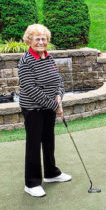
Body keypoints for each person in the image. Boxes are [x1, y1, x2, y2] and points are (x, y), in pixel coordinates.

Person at [18, 24, 71, 197]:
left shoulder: (48, 57)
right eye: (37, 39)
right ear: (29, 40)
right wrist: (54, 105)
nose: (41, 42)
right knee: (33, 144)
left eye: (44, 39)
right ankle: (31, 183)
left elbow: (59, 81)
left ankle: (51, 173)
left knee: (49, 140)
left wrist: (58, 97)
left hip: (49, 107)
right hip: (33, 109)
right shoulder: (26, 61)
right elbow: (30, 89)